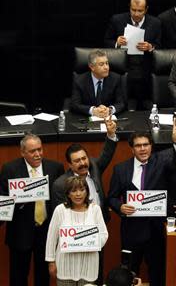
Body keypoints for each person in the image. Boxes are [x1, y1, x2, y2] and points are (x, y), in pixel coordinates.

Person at [107, 119, 176, 286]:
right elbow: (111, 197)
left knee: (157, 273)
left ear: (151, 146)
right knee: (128, 274)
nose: (142, 149)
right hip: (131, 232)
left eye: (146, 145)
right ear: (132, 148)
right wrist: (119, 206)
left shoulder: (162, 164)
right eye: (138, 145)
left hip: (155, 231)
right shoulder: (120, 169)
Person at [51, 117, 117, 284]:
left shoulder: (93, 166)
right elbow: (57, 222)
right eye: (77, 161)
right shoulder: (60, 184)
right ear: (70, 165)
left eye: (84, 158)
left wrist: (111, 134)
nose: (82, 163)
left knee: (95, 272)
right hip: (72, 242)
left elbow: (106, 155)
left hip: (96, 233)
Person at [0, 134, 64, 286]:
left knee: (43, 276)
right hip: (20, 232)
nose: (38, 154)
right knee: (18, 276)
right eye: (32, 151)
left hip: (46, 232)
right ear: (22, 152)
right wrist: (19, 200)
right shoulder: (10, 169)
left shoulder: (55, 168)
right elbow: (2, 201)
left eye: (40, 149)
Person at [45, 176, 108, 286]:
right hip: (65, 267)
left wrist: (91, 242)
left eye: (82, 190)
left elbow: (104, 235)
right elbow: (51, 238)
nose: (78, 194)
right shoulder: (60, 210)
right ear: (68, 194)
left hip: (88, 267)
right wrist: (51, 262)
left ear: (87, 192)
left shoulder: (95, 209)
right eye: (74, 191)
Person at [104, 0, 162, 110]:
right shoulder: (117, 20)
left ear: (146, 10)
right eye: (133, 10)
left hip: (145, 72)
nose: (136, 14)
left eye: (140, 11)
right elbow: (106, 41)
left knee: (143, 108)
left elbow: (160, 47)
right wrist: (117, 43)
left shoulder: (155, 23)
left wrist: (150, 47)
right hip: (124, 70)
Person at [70, 49, 126, 117]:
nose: (106, 67)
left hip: (109, 120)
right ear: (92, 67)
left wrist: (110, 110)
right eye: (101, 64)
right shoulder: (79, 81)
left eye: (107, 63)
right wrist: (93, 111)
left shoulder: (115, 79)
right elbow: (75, 105)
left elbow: (121, 103)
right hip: (87, 121)